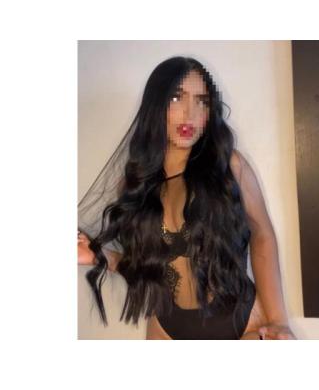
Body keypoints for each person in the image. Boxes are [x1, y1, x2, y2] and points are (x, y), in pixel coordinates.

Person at [78, 56, 296, 340]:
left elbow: (262, 234)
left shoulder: (229, 167)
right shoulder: (135, 186)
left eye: (202, 101)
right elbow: (147, 268)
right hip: (167, 328)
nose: (190, 113)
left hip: (244, 324)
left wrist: (279, 320)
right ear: (156, 105)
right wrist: (100, 256)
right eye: (176, 97)